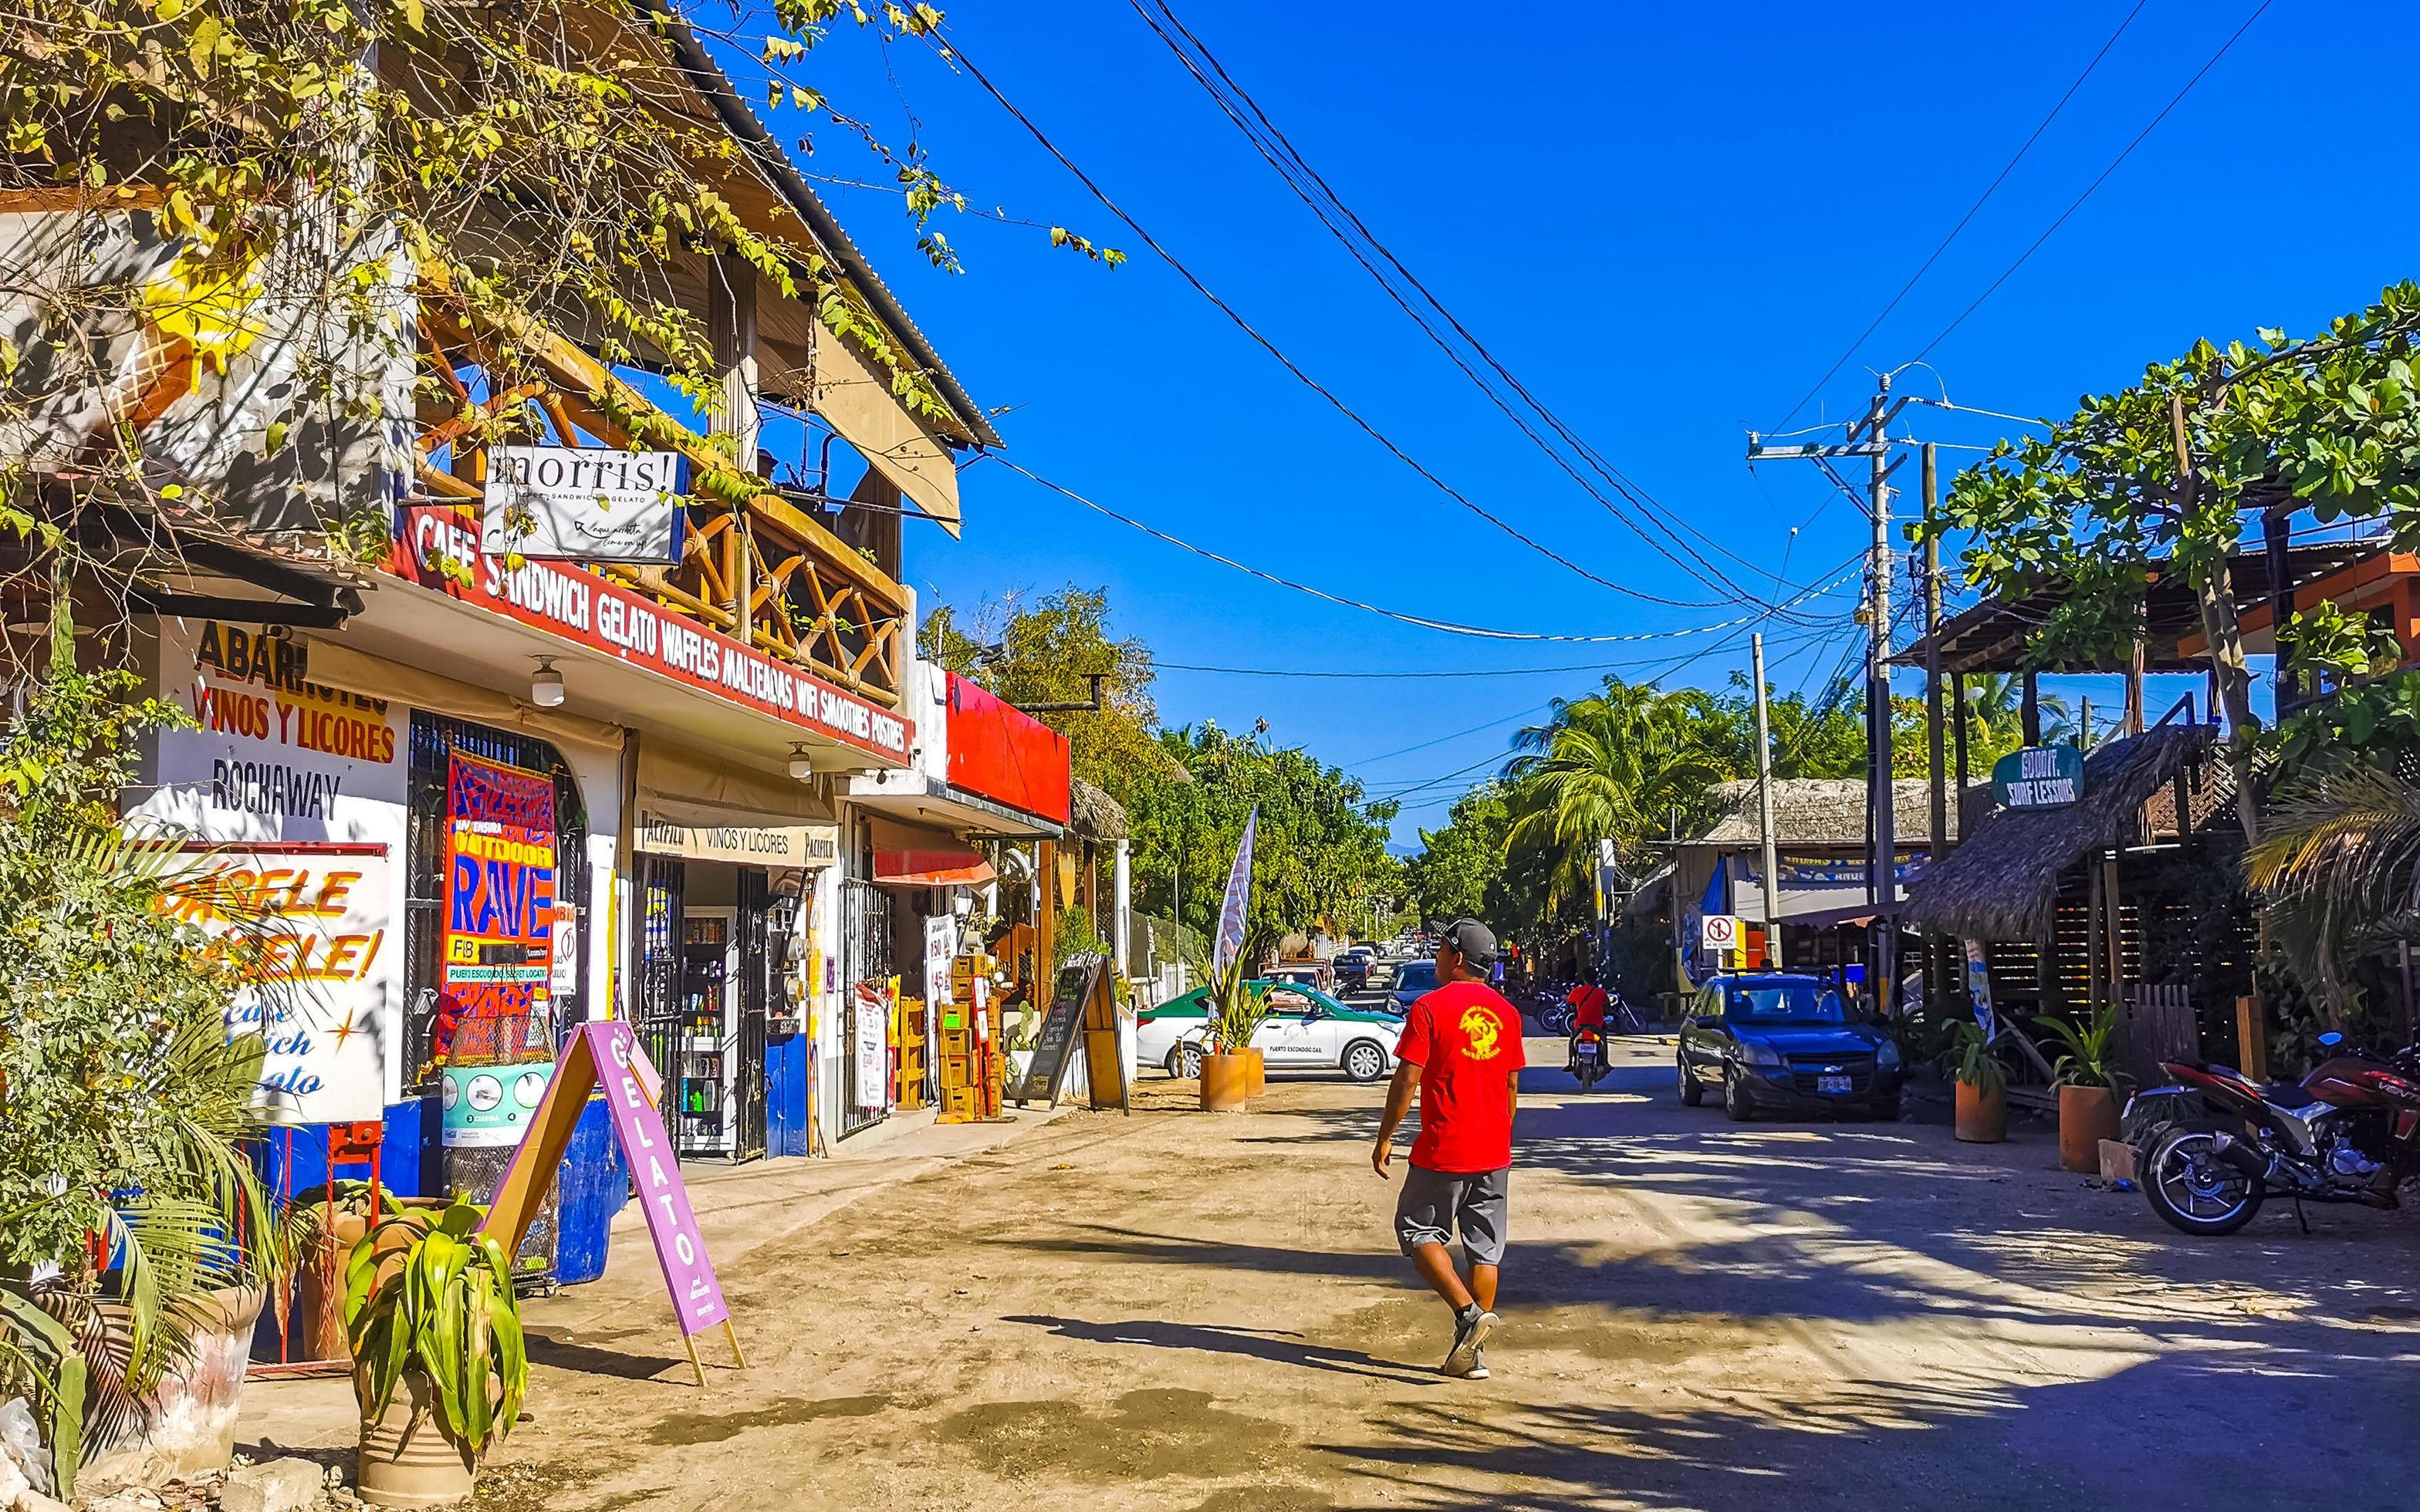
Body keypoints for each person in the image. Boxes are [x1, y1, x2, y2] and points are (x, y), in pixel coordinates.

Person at [1371, 917, 1526, 1380]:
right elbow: (1511, 1085)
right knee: (1485, 1252)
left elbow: (1407, 1079)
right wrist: (1498, 1132)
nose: (1437, 956)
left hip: (1444, 1146)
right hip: (1494, 1151)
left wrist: (1385, 1136)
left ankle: (1467, 1315)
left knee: (1416, 1229)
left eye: (1441, 949)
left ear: (1457, 957)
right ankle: (1472, 1356)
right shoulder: (1509, 1013)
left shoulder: (1429, 1009)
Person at [1563, 976, 1609, 1074]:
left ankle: (1571, 1063)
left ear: (1584, 979)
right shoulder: (1601, 992)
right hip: (1597, 1025)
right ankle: (1605, 1063)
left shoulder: (1576, 991)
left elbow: (1568, 1003)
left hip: (1580, 1025)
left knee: (1572, 1040)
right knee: (1603, 1040)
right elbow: (1608, 1006)